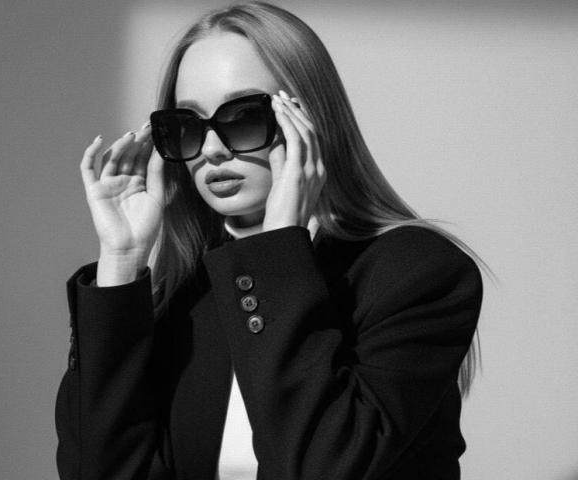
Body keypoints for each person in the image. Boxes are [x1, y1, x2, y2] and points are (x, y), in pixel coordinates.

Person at [55, 1, 494, 479]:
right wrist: (121, 262)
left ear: (309, 119)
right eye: (188, 126)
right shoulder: (191, 292)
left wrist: (279, 251)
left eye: (243, 117)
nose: (212, 150)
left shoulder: (414, 271)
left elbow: (323, 467)